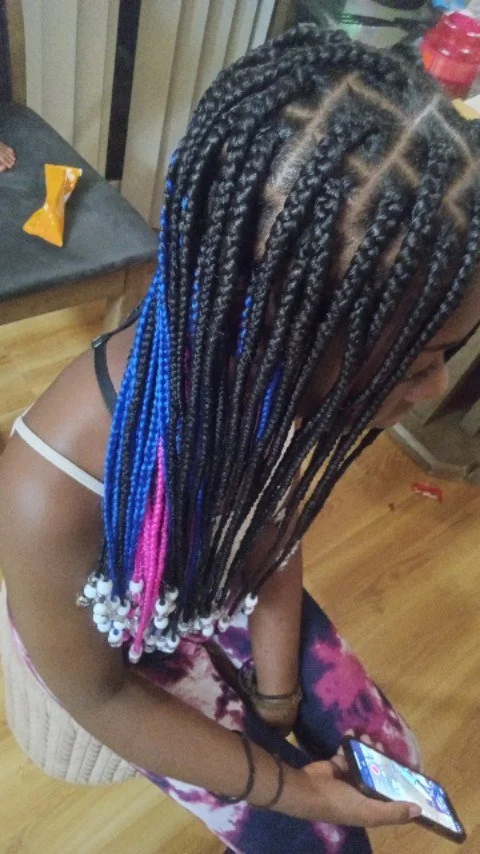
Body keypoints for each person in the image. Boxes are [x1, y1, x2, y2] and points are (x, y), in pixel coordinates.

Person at [1, 24, 479, 854]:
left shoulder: (266, 389)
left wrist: (279, 693)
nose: (436, 387)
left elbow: (273, 526)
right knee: (325, 843)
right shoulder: (47, 496)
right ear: (283, 334)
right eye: (418, 361)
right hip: (114, 651)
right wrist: (294, 790)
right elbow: (103, 697)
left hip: (220, 578)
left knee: (389, 757)